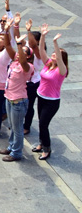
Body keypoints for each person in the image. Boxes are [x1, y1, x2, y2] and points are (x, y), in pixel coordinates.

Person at [0, 15, 34, 162]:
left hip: (18, 101)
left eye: (23, 52)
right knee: (12, 126)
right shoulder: (15, 61)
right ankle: (12, 146)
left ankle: (16, 153)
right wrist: (7, 31)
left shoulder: (27, 66)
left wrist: (20, 45)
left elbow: (21, 59)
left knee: (18, 128)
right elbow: (8, 46)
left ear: (27, 56)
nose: (19, 53)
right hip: (9, 98)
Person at [32, 24, 68, 161]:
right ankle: (41, 144)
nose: (53, 54)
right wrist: (43, 36)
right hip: (41, 97)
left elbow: (58, 58)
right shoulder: (48, 65)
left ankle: (47, 149)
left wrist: (55, 43)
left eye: (56, 54)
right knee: (41, 121)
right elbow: (41, 50)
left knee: (43, 124)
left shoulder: (61, 71)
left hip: (51, 102)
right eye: (53, 53)